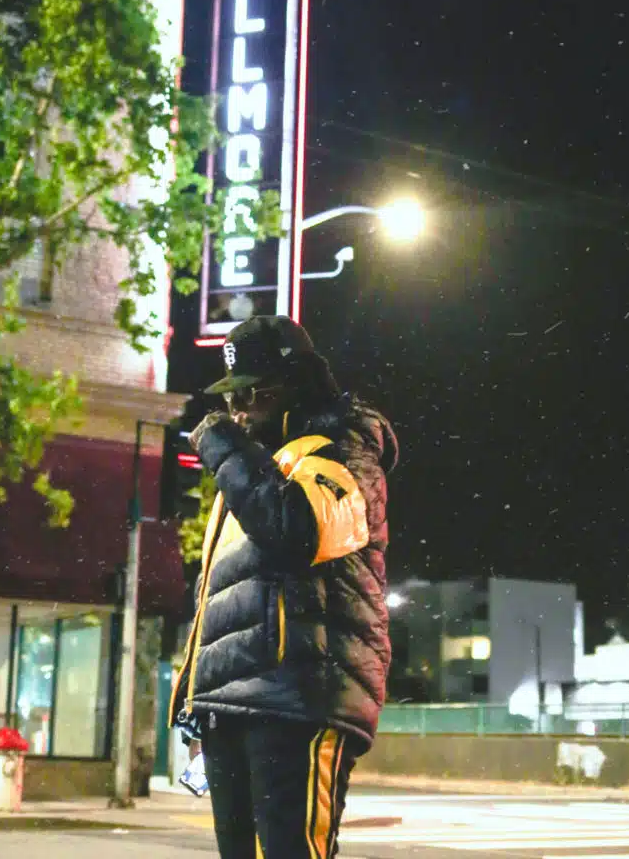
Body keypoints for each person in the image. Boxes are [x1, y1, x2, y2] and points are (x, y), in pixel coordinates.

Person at [169, 315, 398, 859]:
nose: (238, 409)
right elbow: (219, 597)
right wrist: (192, 697)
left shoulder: (343, 449)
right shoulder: (257, 466)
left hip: (298, 696)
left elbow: (297, 530)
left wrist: (224, 447)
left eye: (253, 393)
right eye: (232, 397)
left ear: (296, 384)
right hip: (232, 703)